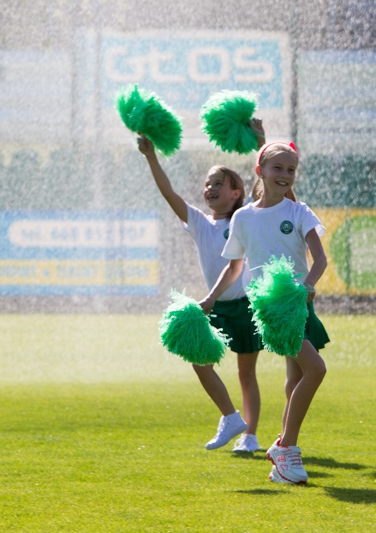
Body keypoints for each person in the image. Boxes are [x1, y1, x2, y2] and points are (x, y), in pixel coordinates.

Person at [199, 141, 329, 485]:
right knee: (315, 368)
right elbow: (234, 268)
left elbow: (320, 259)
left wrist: (308, 286)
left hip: (299, 302)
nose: (285, 174)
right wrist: (210, 298)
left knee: (298, 378)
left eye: (291, 169)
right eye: (278, 168)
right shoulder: (243, 217)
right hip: (270, 307)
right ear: (260, 171)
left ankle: (283, 457)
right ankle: (286, 448)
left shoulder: (300, 212)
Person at [138, 123, 265, 453]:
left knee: (246, 374)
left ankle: (250, 436)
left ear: (236, 193)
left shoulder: (244, 217)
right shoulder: (199, 223)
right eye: (207, 184)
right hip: (216, 306)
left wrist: (261, 141)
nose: (210, 188)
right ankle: (231, 417)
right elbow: (169, 194)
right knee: (199, 360)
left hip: (246, 304)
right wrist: (151, 157)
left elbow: (263, 185)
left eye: (218, 183)